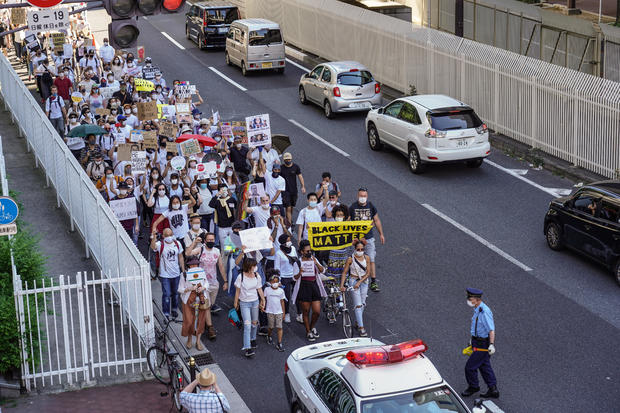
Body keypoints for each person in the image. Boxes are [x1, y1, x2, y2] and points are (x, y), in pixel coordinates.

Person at [185, 232, 228, 340]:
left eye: (212, 240)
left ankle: (202, 320)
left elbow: (221, 266)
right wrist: (195, 242)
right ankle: (210, 328)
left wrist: (225, 281)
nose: (210, 242)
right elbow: (187, 253)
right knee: (207, 305)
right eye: (208, 240)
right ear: (205, 241)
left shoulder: (217, 251)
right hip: (203, 283)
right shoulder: (201, 250)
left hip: (214, 282)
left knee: (210, 304)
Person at [461, 288, 499, 399]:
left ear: (477, 300)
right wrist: (472, 340)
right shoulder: (477, 309)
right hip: (477, 341)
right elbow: (477, 327)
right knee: (484, 366)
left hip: (483, 344)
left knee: (470, 367)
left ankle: (474, 386)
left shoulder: (484, 311)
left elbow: (491, 329)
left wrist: (491, 344)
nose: (468, 300)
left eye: (470, 298)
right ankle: (493, 389)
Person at [349, 188, 385, 292]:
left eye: (364, 196)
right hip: (356, 239)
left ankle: (373, 282)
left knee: (371, 259)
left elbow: (376, 220)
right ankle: (352, 278)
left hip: (368, 238)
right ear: (357, 196)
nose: (362, 198)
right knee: (353, 259)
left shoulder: (371, 206)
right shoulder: (353, 207)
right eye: (361, 196)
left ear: (367, 196)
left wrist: (381, 234)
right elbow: (347, 221)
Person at [292, 240, 327, 341]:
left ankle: (312, 327)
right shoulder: (298, 263)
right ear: (302, 252)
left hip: (314, 286)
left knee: (316, 311)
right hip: (303, 287)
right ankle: (308, 331)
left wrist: (316, 263)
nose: (309, 253)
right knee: (306, 311)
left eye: (310, 251)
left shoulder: (314, 259)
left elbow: (323, 270)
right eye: (307, 251)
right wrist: (300, 272)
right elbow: (294, 278)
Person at [233, 256, 265, 357]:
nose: (255, 267)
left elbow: (259, 289)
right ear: (249, 266)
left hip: (255, 302)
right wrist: (235, 302)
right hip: (244, 303)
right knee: (247, 325)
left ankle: (253, 338)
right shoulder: (240, 277)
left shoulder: (257, 275)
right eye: (254, 266)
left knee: (254, 322)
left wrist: (263, 299)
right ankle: (247, 347)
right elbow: (237, 291)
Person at [150, 228, 185, 318]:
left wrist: (183, 270)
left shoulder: (177, 244)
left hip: (176, 273)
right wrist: (154, 237)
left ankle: (174, 309)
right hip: (165, 274)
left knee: (175, 293)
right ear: (163, 236)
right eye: (167, 235)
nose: (169, 237)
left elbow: (180, 257)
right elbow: (153, 247)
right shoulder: (160, 244)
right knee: (166, 294)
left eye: (171, 235)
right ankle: (166, 312)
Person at [339, 239, 370, 337]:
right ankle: (361, 327)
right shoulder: (350, 259)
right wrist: (342, 285)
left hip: (364, 282)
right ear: (355, 249)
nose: (360, 251)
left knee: (363, 303)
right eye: (358, 249)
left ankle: (358, 321)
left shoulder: (367, 258)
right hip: (353, 281)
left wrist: (360, 282)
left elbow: (368, 273)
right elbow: (344, 272)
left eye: (362, 249)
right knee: (358, 305)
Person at [178, 257, 209, 350]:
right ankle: (189, 338)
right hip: (188, 300)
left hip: (201, 299)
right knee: (189, 320)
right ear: (189, 265)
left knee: (201, 320)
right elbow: (180, 289)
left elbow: (207, 283)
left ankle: (198, 341)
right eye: (192, 264)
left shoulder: (201, 273)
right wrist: (188, 289)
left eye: (195, 264)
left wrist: (203, 288)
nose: (194, 266)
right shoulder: (184, 275)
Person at [273, 233, 299, 323]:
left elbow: (296, 262)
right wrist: (278, 280)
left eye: (289, 240)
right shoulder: (279, 253)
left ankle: (300, 314)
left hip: (294, 276)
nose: (289, 242)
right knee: (287, 296)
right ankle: (287, 313)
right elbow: (277, 268)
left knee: (297, 295)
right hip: (284, 277)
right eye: (287, 241)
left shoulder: (294, 249)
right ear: (283, 242)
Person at [209, 184, 237, 250]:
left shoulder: (231, 199)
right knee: (224, 247)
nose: (224, 192)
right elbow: (211, 204)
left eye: (225, 190)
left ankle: (232, 258)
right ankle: (225, 258)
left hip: (231, 226)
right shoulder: (217, 201)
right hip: (222, 227)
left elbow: (237, 208)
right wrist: (217, 195)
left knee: (233, 246)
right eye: (222, 190)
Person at [263, 269, 286, 351]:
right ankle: (269, 335)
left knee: (279, 327)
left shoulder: (281, 291)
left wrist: (283, 313)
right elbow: (264, 299)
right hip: (270, 311)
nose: (275, 283)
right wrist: (263, 306)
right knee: (271, 327)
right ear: (270, 282)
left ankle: (279, 343)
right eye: (273, 281)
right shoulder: (267, 290)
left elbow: (282, 302)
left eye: (276, 281)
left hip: (279, 312)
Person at [280, 152, 306, 224]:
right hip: (285, 191)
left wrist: (303, 186)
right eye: (286, 160)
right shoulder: (281, 168)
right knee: (287, 207)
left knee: (291, 206)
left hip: (294, 190)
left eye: (289, 159)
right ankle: (289, 224)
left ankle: (289, 220)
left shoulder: (295, 167)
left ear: (291, 159)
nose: (288, 161)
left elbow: (300, 176)